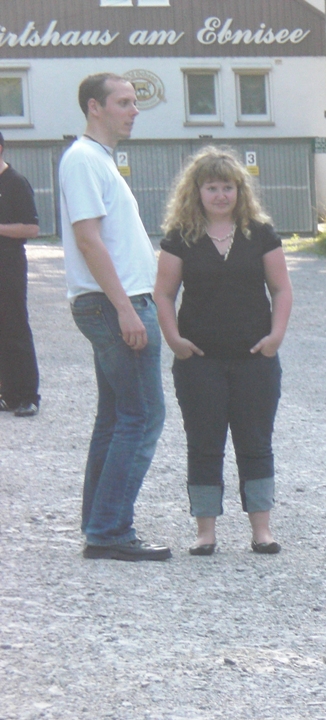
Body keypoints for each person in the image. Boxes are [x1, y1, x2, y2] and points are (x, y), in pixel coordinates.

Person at [153, 147, 292, 556]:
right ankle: (205, 532)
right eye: (211, 187)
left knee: (256, 443)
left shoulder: (260, 233)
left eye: (227, 187)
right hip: (199, 361)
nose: (220, 195)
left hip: (255, 358)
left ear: (239, 190)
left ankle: (262, 531)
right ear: (196, 191)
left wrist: (276, 337)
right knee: (204, 444)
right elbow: (163, 293)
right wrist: (174, 340)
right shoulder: (180, 237)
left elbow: (281, 288)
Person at [60, 73, 169, 561]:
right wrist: (126, 308)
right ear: (94, 107)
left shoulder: (98, 159)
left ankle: (99, 523)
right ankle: (109, 530)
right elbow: (88, 239)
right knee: (142, 416)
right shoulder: (84, 159)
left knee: (116, 417)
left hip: (115, 302)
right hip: (114, 304)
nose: (134, 110)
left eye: (134, 102)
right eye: (123, 102)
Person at [0, 130, 41, 418]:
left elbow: (32, 228)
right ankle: (9, 394)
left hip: (9, 266)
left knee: (15, 328)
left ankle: (29, 396)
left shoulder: (15, 182)